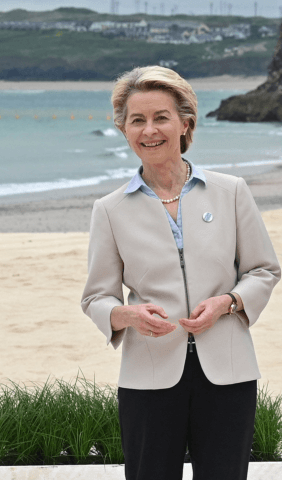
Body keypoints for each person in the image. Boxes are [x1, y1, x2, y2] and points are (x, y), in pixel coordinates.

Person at [81, 66, 280, 480]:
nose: (149, 130)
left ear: (185, 124)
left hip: (228, 373)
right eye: (137, 120)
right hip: (147, 377)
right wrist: (127, 316)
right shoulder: (110, 209)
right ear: (124, 130)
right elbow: (97, 297)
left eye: (161, 117)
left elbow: (263, 269)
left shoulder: (231, 192)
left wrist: (228, 302)